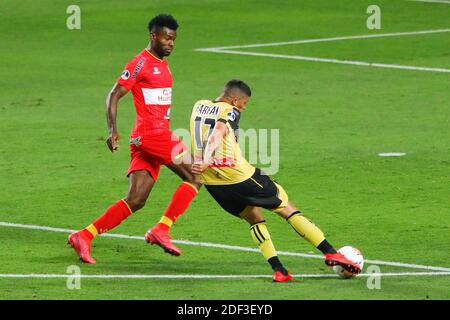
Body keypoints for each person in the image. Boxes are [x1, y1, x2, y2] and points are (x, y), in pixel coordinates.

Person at [191, 80, 361, 282]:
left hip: (214, 184)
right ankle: (331, 252)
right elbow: (217, 133)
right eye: (244, 103)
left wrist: (203, 163)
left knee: (254, 216)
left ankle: (279, 270)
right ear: (236, 99)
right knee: (286, 206)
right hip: (239, 176)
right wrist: (207, 159)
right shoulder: (230, 110)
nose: (244, 108)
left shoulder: (198, 105)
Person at [68, 14, 201, 263]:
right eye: (166, 38)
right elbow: (114, 94)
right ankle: (162, 228)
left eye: (173, 39)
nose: (171, 43)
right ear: (153, 36)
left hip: (145, 139)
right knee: (196, 174)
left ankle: (84, 235)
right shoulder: (140, 63)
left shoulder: (161, 63)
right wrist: (111, 130)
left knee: (136, 199)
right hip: (154, 135)